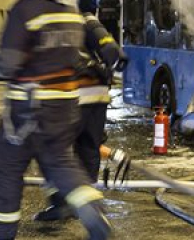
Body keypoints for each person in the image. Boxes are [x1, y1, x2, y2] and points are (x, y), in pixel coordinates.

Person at [0, 0, 111, 240]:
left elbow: (8, 64)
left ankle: (4, 230)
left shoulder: (26, 8)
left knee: (8, 169)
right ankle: (92, 209)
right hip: (65, 106)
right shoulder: (71, 13)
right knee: (61, 164)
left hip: (27, 109)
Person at [34, 13, 129, 222]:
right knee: (89, 147)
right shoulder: (88, 21)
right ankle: (89, 207)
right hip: (99, 93)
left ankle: (61, 204)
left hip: (74, 94)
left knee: (55, 149)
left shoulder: (50, 21)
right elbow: (114, 54)